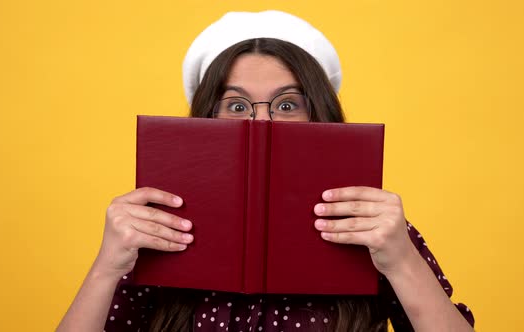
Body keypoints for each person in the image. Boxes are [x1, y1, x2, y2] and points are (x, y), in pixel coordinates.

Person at [57, 10, 475, 332]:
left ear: (320, 117)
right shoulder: (156, 230)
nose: (261, 124)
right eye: (236, 106)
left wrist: (401, 260)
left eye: (288, 104)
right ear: (206, 119)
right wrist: (107, 265)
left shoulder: (375, 227)